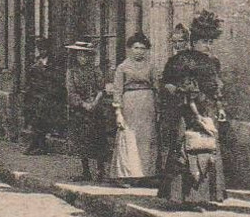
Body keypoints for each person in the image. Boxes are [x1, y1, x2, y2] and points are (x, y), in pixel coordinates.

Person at [158, 11, 228, 208]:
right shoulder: (184, 61)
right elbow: (180, 88)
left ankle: (206, 197)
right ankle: (186, 198)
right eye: (204, 41)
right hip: (189, 111)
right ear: (194, 41)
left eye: (210, 42)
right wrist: (197, 114)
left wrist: (220, 107)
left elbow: (216, 87)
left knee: (209, 150)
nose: (208, 46)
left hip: (209, 110)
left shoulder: (213, 61)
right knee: (190, 150)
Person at [110, 34, 157, 183]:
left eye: (143, 48)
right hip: (129, 104)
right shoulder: (122, 67)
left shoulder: (151, 66)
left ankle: (146, 175)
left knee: (146, 139)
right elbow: (117, 91)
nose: (139, 51)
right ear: (130, 49)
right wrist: (118, 113)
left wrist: (158, 108)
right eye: (136, 48)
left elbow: (156, 88)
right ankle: (126, 175)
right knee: (129, 138)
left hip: (147, 105)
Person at [65, 41, 109, 183]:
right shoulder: (71, 72)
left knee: (98, 140)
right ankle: (86, 171)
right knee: (81, 140)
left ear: (89, 56)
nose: (82, 58)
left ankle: (100, 170)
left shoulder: (95, 70)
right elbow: (71, 92)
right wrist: (84, 104)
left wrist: (95, 103)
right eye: (79, 55)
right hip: (79, 110)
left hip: (95, 109)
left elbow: (101, 89)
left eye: (84, 55)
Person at [23, 46, 63, 154]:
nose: (42, 51)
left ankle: (37, 146)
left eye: (44, 48)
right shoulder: (36, 64)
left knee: (42, 122)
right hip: (37, 97)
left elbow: (57, 81)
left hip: (50, 98)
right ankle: (39, 145)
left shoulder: (53, 63)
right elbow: (31, 81)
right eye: (40, 49)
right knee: (36, 121)